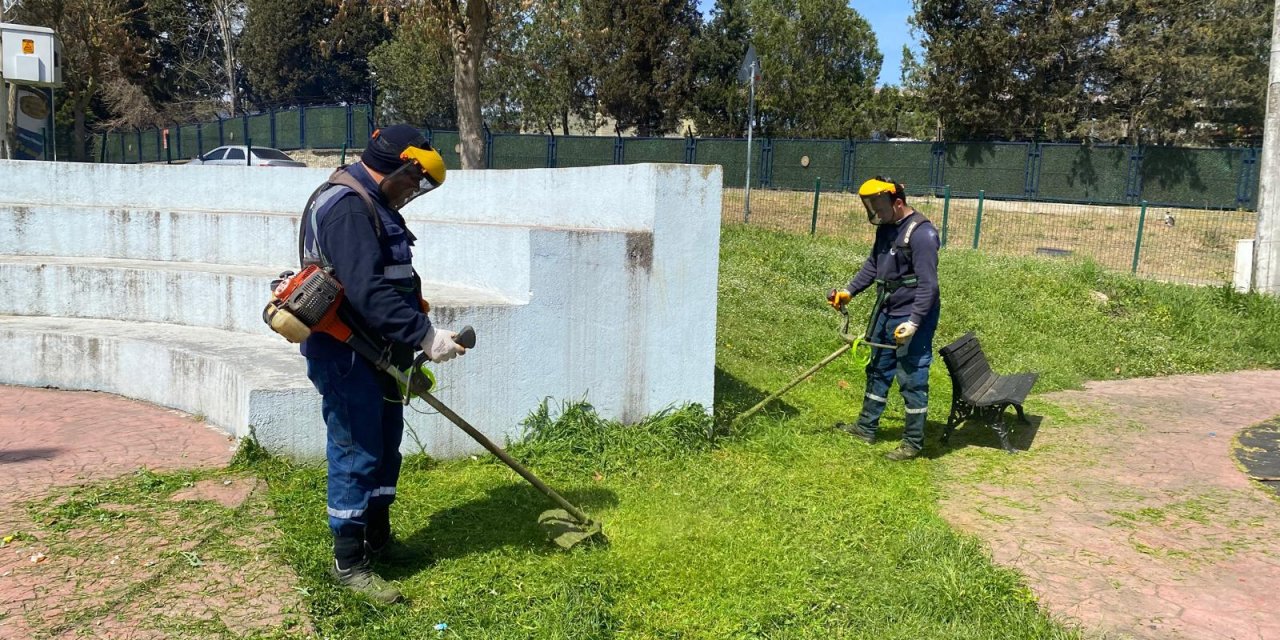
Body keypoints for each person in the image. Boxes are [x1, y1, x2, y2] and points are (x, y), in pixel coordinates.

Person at [299, 124, 467, 603]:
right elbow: (367, 293)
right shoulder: (348, 206)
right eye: (417, 182)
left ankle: (379, 540)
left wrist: (409, 340)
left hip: (383, 351)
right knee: (357, 451)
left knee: (386, 445)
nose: (415, 192)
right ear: (404, 165)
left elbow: (392, 279)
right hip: (348, 353)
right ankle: (348, 563)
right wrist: (425, 335)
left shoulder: (375, 202)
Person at [827, 176, 941, 461]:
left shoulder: (922, 234)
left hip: (912, 316)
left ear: (898, 202)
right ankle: (866, 428)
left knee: (912, 377)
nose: (875, 212)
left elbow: (929, 285)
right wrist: (848, 292)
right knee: (878, 369)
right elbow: (874, 265)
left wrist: (914, 323)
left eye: (879, 205)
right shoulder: (887, 229)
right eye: (871, 206)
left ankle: (912, 443)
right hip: (886, 310)